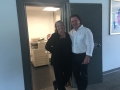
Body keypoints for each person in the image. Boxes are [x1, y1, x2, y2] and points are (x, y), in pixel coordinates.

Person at [69, 14, 94, 90]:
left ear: (79, 21)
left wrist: (87, 57)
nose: (74, 23)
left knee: (84, 75)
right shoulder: (71, 32)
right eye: (72, 21)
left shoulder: (86, 30)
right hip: (74, 56)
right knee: (76, 75)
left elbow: (90, 44)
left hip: (83, 56)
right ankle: (80, 88)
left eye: (75, 20)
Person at [45, 20, 72, 90]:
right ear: (56, 28)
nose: (60, 27)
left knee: (68, 75)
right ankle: (61, 87)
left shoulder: (68, 35)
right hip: (57, 60)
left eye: (61, 25)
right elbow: (47, 46)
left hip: (67, 60)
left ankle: (56, 83)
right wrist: (54, 51)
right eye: (58, 26)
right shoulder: (54, 36)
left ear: (64, 26)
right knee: (59, 76)